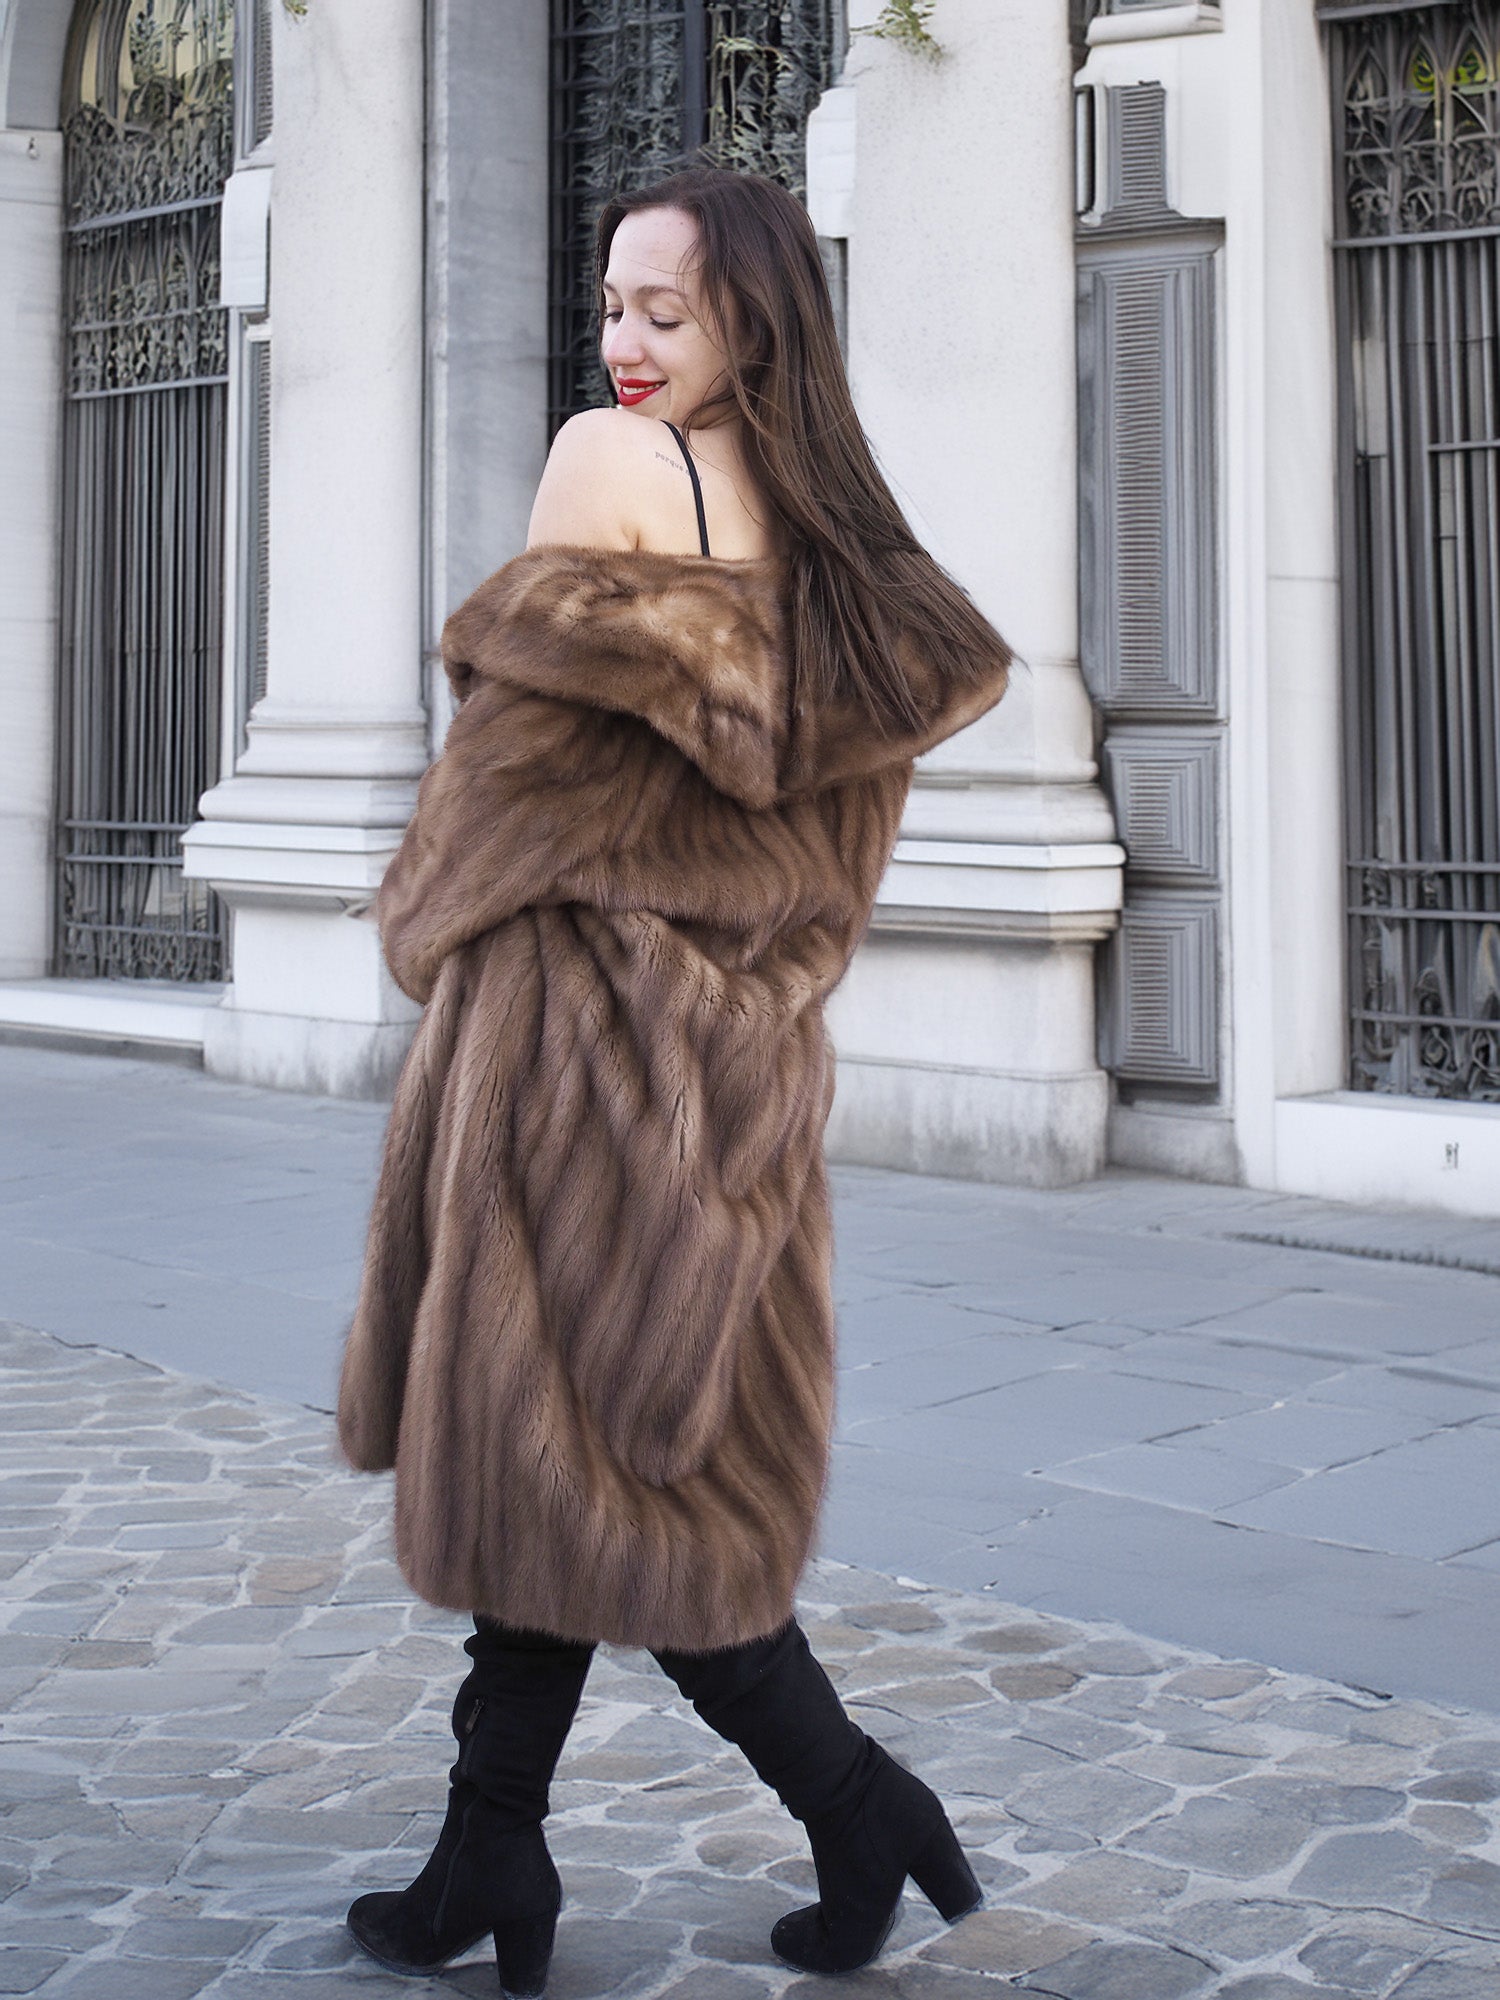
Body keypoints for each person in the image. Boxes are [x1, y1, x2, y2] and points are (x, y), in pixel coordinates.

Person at [334, 164, 1012, 1998]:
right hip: (730, 1072)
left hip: (576, 1052)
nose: (622, 347)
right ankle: (500, 1852)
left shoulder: (606, 469)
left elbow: (491, 805)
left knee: (604, 1492)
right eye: (613, 306)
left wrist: (421, 929)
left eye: (667, 314)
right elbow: (825, 875)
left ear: (752, 328)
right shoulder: (843, 562)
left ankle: (855, 1803)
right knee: (606, 1476)